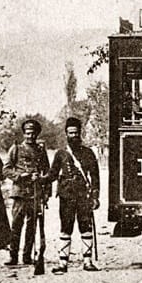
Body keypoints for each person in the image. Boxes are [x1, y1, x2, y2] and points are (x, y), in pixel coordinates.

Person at [43, 117, 101, 273]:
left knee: (85, 227)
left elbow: (95, 176)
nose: (73, 136)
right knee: (66, 227)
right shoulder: (61, 154)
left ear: (80, 133)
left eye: (76, 133)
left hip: (84, 195)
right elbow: (53, 174)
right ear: (66, 134)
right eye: (70, 133)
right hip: (66, 195)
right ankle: (63, 263)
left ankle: (87, 262)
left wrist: (95, 196)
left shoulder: (88, 153)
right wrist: (41, 180)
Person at [4, 119, 51, 266]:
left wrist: (46, 191)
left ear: (37, 134)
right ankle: (13, 256)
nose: (30, 136)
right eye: (27, 133)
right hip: (19, 192)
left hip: (35, 193)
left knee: (32, 227)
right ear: (24, 133)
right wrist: (19, 176)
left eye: (33, 133)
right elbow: (6, 169)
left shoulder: (41, 150)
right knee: (16, 225)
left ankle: (27, 256)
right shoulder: (16, 149)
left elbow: (47, 171)